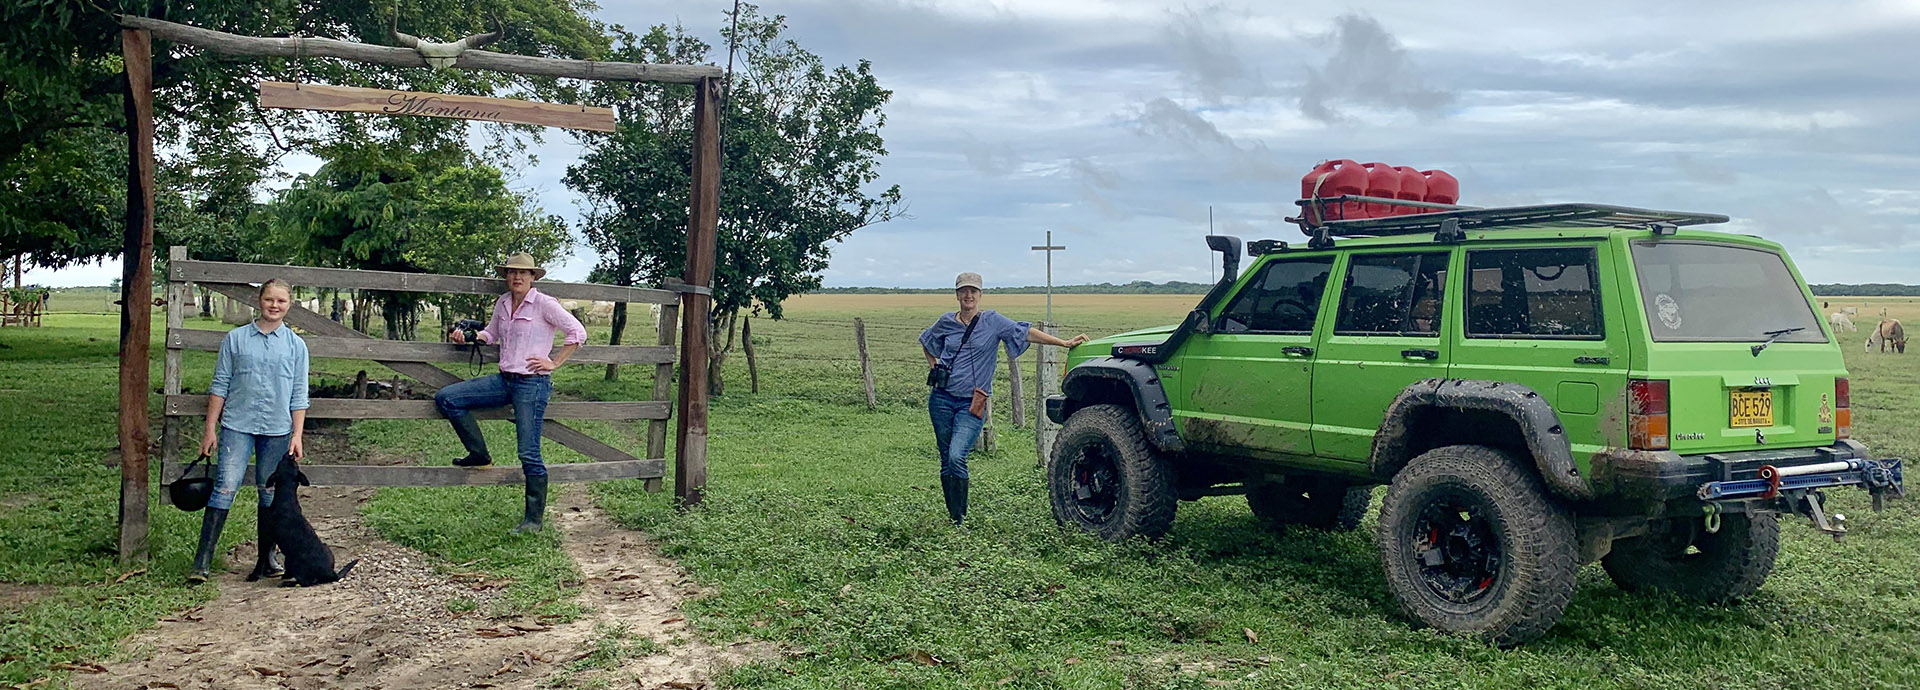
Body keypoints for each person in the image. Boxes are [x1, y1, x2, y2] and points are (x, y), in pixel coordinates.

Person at [920, 272, 1088, 525]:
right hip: (941, 399)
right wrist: (935, 367)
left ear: (980, 295)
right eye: (963, 291)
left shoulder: (992, 321)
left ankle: (960, 518)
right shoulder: (946, 322)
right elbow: (927, 341)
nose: (968, 295)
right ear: (956, 295)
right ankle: (954, 519)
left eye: (973, 291)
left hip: (972, 403)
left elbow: (1026, 333)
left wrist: (1063, 343)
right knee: (946, 458)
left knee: (956, 455)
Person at [437, 253, 587, 534]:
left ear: (532, 277)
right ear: (506, 276)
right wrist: (469, 337)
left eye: (523, 273)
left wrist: (554, 362)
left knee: (528, 451)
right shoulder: (504, 302)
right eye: (512, 272)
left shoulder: (544, 303)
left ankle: (533, 521)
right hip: (504, 380)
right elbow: (491, 334)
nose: (517, 277)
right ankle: (479, 454)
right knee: (448, 398)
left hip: (532, 383)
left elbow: (577, 333)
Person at [191, 279, 310, 583]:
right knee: (225, 486)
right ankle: (202, 563)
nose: (274, 305)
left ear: (289, 305)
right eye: (269, 299)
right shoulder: (236, 339)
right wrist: (210, 429)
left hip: (277, 428)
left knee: (269, 491)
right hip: (237, 425)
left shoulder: (296, 346)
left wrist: (297, 435)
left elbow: (299, 394)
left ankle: (266, 558)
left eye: (281, 301)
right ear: (259, 300)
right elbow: (220, 384)